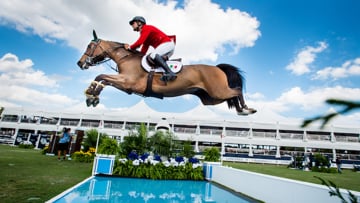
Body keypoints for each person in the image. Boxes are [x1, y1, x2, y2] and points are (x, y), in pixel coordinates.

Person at [125, 16, 177, 82]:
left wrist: (130, 47)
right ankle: (163, 74)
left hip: (168, 44)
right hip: (168, 48)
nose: (132, 25)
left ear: (139, 23)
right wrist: (138, 57)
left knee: (153, 55)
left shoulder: (146, 28)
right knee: (154, 60)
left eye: (133, 23)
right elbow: (144, 50)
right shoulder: (144, 33)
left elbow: (139, 43)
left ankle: (170, 73)